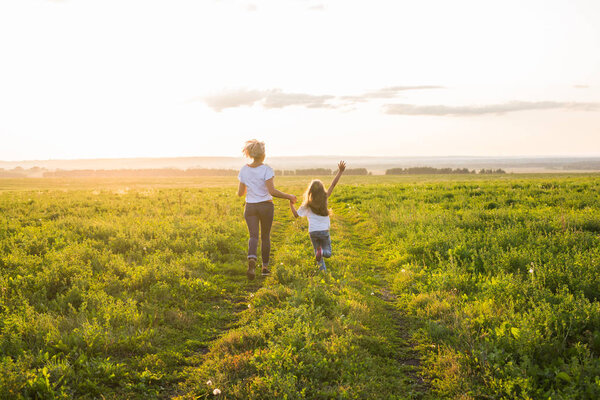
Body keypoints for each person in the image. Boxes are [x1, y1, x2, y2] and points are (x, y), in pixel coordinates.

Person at [237, 139, 297, 279]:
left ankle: (251, 259)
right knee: (265, 237)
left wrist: (250, 187)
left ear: (251, 154)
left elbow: (240, 193)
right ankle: (264, 267)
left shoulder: (244, 170)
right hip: (265, 206)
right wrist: (289, 196)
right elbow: (272, 191)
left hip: (250, 206)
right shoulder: (267, 169)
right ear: (263, 155)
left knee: (253, 236)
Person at [289, 161, 346, 271]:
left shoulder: (307, 204)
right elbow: (333, 185)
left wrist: (291, 204)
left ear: (310, 191)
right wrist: (340, 171)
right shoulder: (325, 197)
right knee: (327, 253)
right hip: (324, 231)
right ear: (322, 189)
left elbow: (296, 215)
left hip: (313, 232)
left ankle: (322, 273)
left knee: (318, 255)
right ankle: (322, 252)